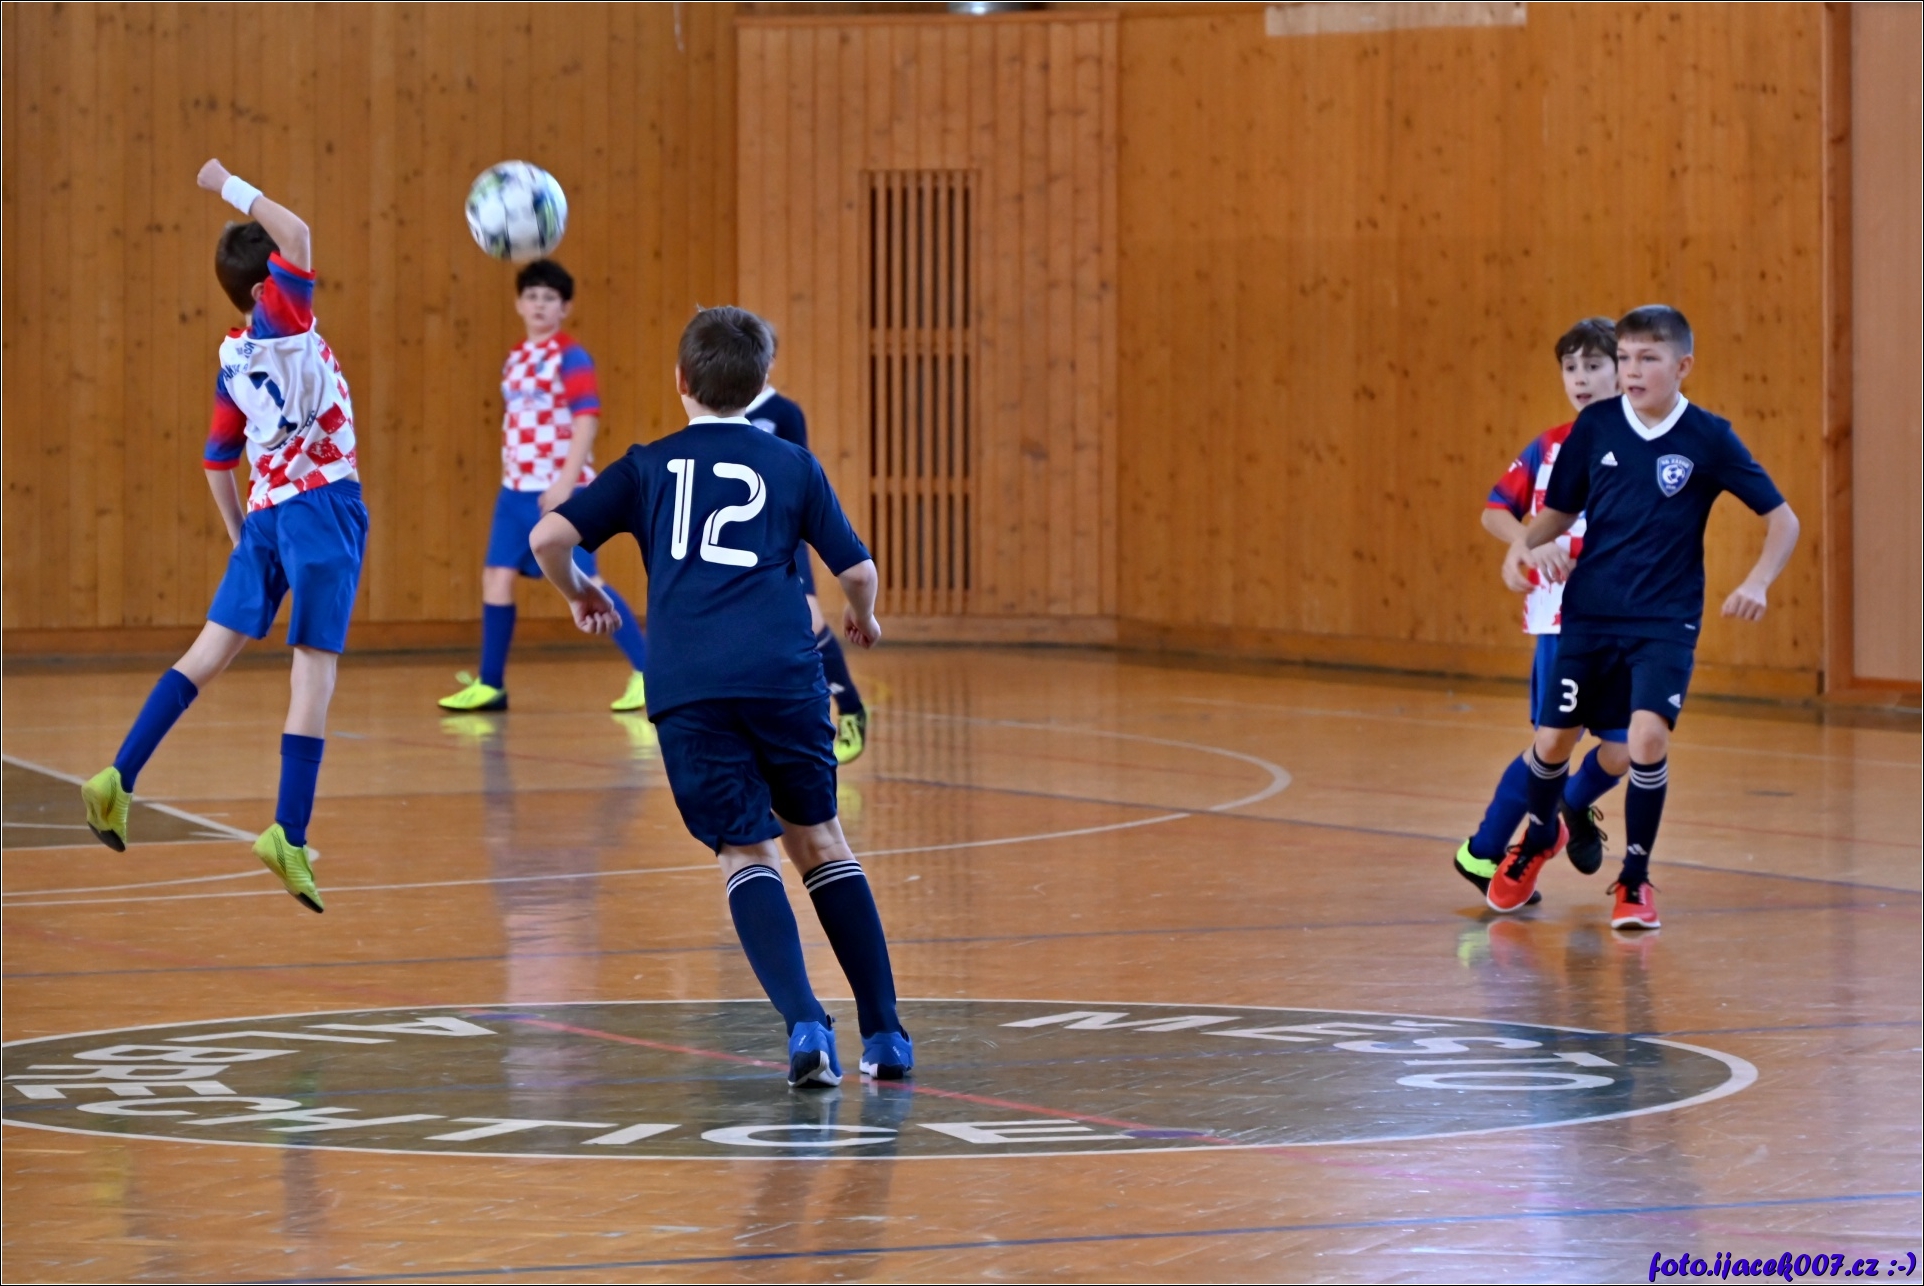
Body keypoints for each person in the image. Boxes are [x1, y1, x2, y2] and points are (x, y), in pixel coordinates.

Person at [529, 305, 912, 1086]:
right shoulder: (792, 463)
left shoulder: (647, 465)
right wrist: (863, 617)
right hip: (783, 675)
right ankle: (886, 1036)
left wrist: (581, 592)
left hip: (690, 685)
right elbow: (857, 571)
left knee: (746, 851)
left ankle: (807, 1027)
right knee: (822, 842)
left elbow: (547, 539)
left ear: (680, 381)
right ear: (764, 382)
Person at [80, 158, 368, 913]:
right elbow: (297, 232)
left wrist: (244, 536)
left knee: (205, 656)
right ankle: (288, 832)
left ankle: (116, 777)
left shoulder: (233, 361)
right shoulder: (286, 321)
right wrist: (227, 185)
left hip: (268, 514)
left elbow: (216, 462)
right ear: (268, 284)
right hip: (323, 509)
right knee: (314, 674)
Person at [1489, 305, 1800, 929]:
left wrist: (1758, 582)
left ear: (1682, 366)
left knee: (1645, 741)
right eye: (1625, 357)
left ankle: (1634, 880)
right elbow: (1560, 510)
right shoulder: (1597, 426)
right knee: (1551, 742)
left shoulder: (1709, 437)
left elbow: (1783, 520)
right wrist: (1522, 547)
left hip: (1665, 620)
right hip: (1589, 615)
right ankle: (1538, 836)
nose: (1631, 370)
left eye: (1647, 359)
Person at [1453, 318, 1631, 901]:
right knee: (1553, 742)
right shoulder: (1549, 445)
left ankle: (1569, 807)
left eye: (1593, 366)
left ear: (1622, 371)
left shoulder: (1645, 443)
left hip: (1628, 619)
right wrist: (1530, 541)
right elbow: (1495, 511)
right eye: (1570, 368)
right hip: (1562, 619)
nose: (1580, 378)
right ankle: (1482, 851)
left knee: (1627, 746)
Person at [437, 260, 649, 714]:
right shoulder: (515, 357)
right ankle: (491, 684)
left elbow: (586, 419)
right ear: (518, 303)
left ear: (565, 307)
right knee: (496, 577)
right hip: (515, 490)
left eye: (549, 298)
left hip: (560, 489)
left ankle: (650, 673)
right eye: (531, 296)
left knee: (587, 580)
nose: (539, 304)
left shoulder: (571, 356)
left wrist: (565, 483)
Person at [744, 354, 870, 764]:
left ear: (769, 361)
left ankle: (849, 709)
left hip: (782, 535)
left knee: (810, 622)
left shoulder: (783, 412)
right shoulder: (722, 413)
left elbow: (799, 470)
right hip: (742, 542)